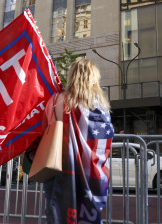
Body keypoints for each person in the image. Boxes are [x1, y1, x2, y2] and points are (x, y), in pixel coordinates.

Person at [42, 58, 114, 223]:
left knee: (57, 216)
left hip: (58, 168)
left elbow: (44, 130)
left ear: (72, 76)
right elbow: (106, 139)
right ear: (94, 79)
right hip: (92, 174)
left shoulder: (55, 101)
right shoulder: (101, 107)